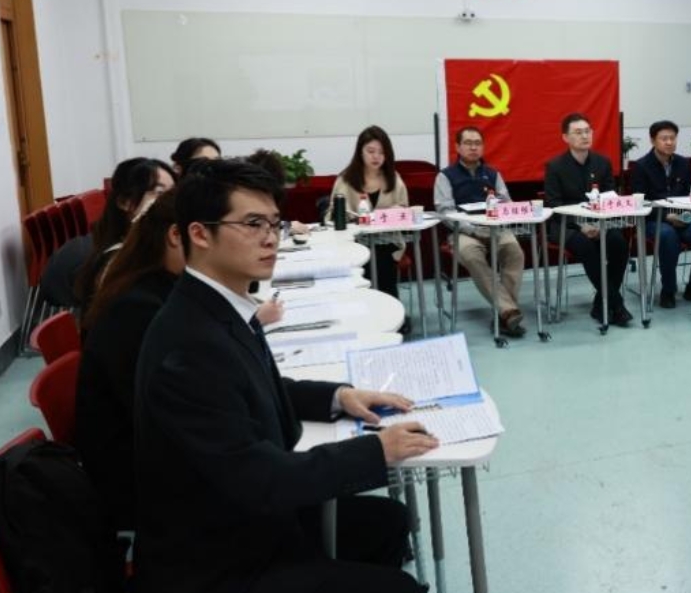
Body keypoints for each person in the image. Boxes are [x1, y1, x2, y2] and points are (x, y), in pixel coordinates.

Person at [133, 159, 436, 593]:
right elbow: (260, 479)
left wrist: (339, 397)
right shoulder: (189, 345)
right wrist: (377, 450)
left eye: (274, 223)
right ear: (199, 234)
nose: (271, 238)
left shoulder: (219, 305)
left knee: (388, 521)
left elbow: (254, 388)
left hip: (247, 520)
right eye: (252, 224)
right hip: (219, 561)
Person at [75, 192, 182, 530]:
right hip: (137, 482)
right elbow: (172, 415)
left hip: (153, 457)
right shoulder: (139, 308)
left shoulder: (159, 286)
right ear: (177, 236)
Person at [435, 126, 527, 337]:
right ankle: (507, 311)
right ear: (458, 147)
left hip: (495, 228)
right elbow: (445, 212)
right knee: (471, 255)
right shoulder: (445, 176)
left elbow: (507, 202)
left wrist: (500, 218)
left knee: (514, 251)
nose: (473, 147)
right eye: (468, 143)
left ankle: (504, 314)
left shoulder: (493, 174)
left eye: (477, 143)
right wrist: (472, 230)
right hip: (463, 232)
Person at [543, 113, 632, 326]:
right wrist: (581, 225)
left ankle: (601, 304)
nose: (584, 136)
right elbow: (554, 206)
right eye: (578, 132)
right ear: (565, 137)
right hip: (566, 225)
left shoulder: (602, 163)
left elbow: (610, 197)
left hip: (599, 222)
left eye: (587, 131)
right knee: (586, 246)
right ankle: (616, 304)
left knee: (618, 243)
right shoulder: (555, 166)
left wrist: (599, 224)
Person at [631, 120, 691, 308]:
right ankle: (668, 290)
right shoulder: (641, 166)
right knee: (667, 235)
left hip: (682, 218)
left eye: (672, 138)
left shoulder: (682, 163)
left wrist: (686, 215)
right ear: (653, 140)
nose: (669, 142)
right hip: (654, 220)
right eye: (664, 138)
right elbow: (640, 202)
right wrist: (666, 216)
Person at [73, 157, 177, 311]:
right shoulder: (116, 259)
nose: (170, 201)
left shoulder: (160, 248)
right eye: (159, 193)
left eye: (173, 192)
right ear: (124, 202)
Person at [327, 126, 409, 300]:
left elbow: (404, 211)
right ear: (360, 152)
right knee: (370, 259)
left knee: (382, 259)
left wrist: (399, 210)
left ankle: (390, 309)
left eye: (381, 152)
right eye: (371, 151)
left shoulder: (393, 178)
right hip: (355, 242)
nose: (376, 156)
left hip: (387, 241)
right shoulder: (346, 180)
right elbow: (333, 217)